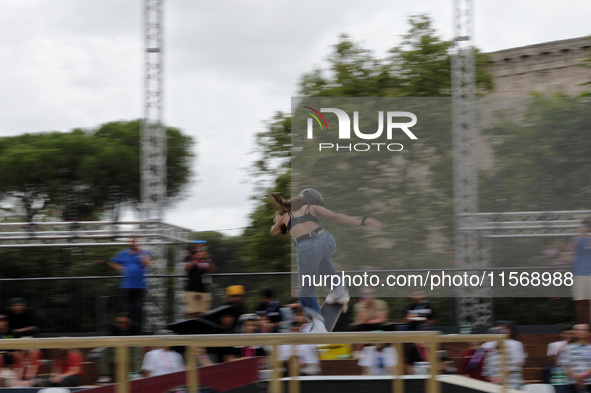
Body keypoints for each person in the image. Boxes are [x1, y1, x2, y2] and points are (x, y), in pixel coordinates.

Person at [270, 188, 381, 332]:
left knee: (305, 291)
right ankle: (338, 289)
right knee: (322, 260)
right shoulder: (312, 208)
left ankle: (318, 323)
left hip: (306, 247)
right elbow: (336, 217)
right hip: (326, 240)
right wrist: (362, 221)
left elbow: (273, 231)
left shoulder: (286, 216)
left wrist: (277, 222)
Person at [108, 236, 153, 328]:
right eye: (131, 241)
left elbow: (146, 263)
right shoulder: (123, 253)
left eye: (135, 241)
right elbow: (111, 262)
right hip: (127, 285)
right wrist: (120, 268)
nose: (133, 243)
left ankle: (137, 329)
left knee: (139, 308)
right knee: (127, 309)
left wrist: (140, 251)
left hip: (141, 285)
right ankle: (127, 328)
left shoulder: (145, 253)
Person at [96, 312, 142, 384]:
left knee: (138, 348)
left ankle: (136, 374)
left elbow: (138, 342)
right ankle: (105, 375)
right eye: (119, 322)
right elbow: (110, 342)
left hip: (131, 352)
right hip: (117, 351)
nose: (122, 325)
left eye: (125, 323)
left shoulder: (135, 328)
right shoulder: (113, 328)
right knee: (105, 349)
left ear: (130, 321)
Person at [184, 241, 216, 318]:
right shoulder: (189, 257)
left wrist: (207, 259)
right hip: (191, 289)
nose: (200, 248)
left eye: (202, 246)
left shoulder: (208, 257)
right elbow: (186, 268)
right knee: (192, 314)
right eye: (198, 246)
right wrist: (197, 259)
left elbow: (212, 269)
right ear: (194, 248)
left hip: (204, 289)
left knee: (204, 315)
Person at [568, 218, 591, 323]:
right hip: (580, 272)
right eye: (585, 226)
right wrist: (580, 235)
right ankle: (583, 325)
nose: (586, 228)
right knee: (581, 300)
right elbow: (570, 250)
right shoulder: (576, 239)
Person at [558, 323, 591, 392]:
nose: (578, 332)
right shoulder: (567, 348)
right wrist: (575, 376)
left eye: (582, 330)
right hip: (572, 383)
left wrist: (583, 375)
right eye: (576, 330)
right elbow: (565, 365)